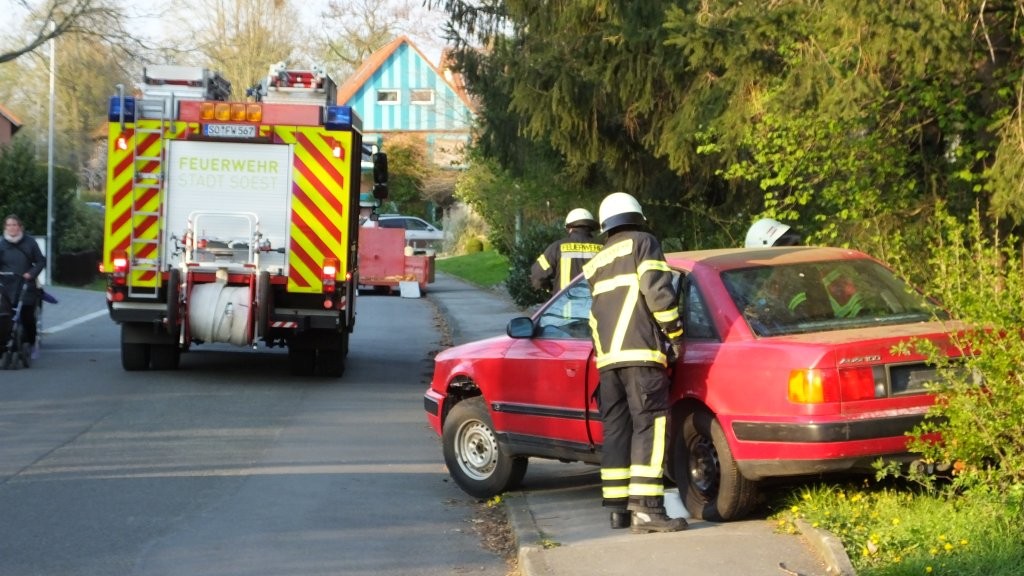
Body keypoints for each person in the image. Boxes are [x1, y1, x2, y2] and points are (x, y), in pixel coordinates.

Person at [582, 192, 687, 534]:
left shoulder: (598, 261)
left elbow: (595, 316)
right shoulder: (644, 243)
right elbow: (658, 293)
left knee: (616, 431)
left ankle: (618, 510)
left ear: (605, 224)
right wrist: (674, 334)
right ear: (637, 217)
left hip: (608, 360)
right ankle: (648, 511)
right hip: (642, 355)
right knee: (650, 427)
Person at [0, 214, 46, 354]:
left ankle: (31, 341)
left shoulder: (30, 242)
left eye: (15, 225)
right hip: (6, 285)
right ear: (5, 228)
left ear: (20, 227)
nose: (12, 228)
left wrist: (31, 274)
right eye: (9, 225)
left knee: (27, 315)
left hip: (25, 284)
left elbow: (40, 261)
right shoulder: (1, 243)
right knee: (4, 315)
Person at [530, 208, 603, 293]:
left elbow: (537, 275)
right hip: (595, 304)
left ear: (570, 228)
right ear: (591, 228)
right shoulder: (603, 248)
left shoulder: (557, 247)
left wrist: (550, 288)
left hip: (565, 304)